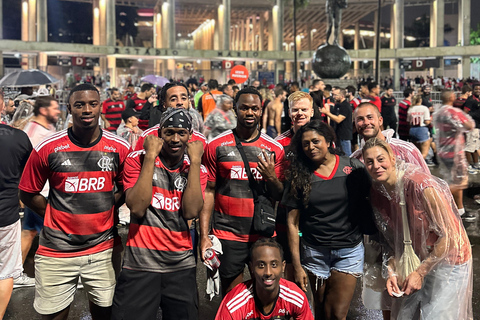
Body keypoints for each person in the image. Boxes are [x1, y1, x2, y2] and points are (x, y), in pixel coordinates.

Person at [18, 83, 131, 320]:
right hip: (56, 250)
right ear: (69, 108)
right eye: (79, 105)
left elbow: (127, 190)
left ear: (100, 107)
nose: (87, 110)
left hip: (103, 249)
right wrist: (54, 214)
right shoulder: (48, 147)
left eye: (92, 104)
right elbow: (27, 192)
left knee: (105, 314)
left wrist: (107, 208)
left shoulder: (119, 147)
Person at [362, 138, 473, 320]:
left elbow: (450, 236)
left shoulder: (420, 185)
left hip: (450, 260)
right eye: (369, 162)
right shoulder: (377, 193)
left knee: (438, 316)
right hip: (417, 259)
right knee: (407, 315)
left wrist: (420, 272)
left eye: (381, 159)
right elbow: (391, 241)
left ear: (392, 158)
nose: (376, 166)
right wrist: (391, 271)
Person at [112, 108, 206, 320]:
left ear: (190, 136)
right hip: (140, 265)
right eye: (169, 132)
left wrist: (196, 162)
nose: (175, 139)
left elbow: (191, 211)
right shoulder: (138, 160)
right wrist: (150, 158)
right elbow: (136, 207)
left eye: (181, 133)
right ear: (159, 133)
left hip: (180, 266)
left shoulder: (196, 167)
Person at [283, 120, 373, 320]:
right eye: (305, 144)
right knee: (322, 311)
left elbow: (373, 202)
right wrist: (297, 266)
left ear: (329, 140)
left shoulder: (353, 167)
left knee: (337, 314)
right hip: (314, 252)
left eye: (316, 141)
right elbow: (292, 223)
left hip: (348, 250)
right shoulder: (299, 175)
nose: (310, 147)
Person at [200, 87, 285, 296]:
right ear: (235, 110)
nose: (249, 113)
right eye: (244, 108)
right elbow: (209, 192)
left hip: (263, 235)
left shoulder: (274, 149)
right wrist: (204, 235)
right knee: (232, 298)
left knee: (267, 295)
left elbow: (280, 195)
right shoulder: (216, 146)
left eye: (254, 108)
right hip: (227, 234)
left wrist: (271, 177)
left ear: (261, 110)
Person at [15, 96, 60, 289]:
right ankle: (65, 275)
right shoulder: (33, 132)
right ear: (43, 111)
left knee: (29, 232)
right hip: (41, 191)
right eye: (55, 108)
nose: (58, 111)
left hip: (49, 189)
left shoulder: (47, 128)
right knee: (60, 232)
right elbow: (27, 164)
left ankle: (14, 273)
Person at [215, 238, 314, 320]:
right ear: (252, 267)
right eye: (261, 265)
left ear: (283, 266)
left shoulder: (296, 297)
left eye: (274, 265)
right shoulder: (233, 306)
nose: (268, 272)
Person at [0, 90, 33, 319]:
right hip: (6, 216)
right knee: (4, 273)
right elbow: (30, 177)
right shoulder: (18, 138)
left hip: (7, 214)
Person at [433, 90, 476, 222]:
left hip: (443, 151)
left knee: (456, 180)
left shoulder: (438, 113)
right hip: (454, 152)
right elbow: (470, 125)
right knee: (459, 183)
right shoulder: (454, 112)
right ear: (452, 97)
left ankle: (460, 209)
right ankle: (437, 204)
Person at [134, 82, 206, 152]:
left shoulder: (200, 140)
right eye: (173, 99)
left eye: (183, 98)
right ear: (164, 104)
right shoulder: (148, 137)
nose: (180, 102)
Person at [320, 88, 352, 156]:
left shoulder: (345, 106)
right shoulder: (337, 105)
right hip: (337, 134)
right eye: (333, 94)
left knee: (346, 155)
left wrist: (326, 112)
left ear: (342, 96)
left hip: (344, 135)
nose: (333, 97)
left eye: (335, 95)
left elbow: (338, 119)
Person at [407, 95, 431, 160]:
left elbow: (408, 121)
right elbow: (427, 121)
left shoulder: (410, 109)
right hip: (422, 129)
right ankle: (421, 165)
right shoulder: (424, 108)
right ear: (420, 100)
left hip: (412, 129)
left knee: (416, 152)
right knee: (424, 153)